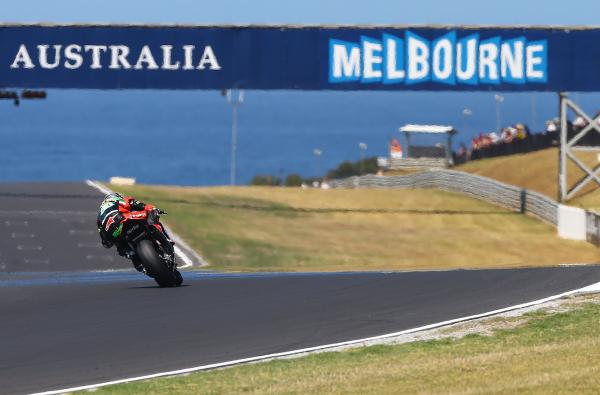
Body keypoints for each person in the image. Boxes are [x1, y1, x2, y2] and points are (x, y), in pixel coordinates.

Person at [97, 192, 172, 272]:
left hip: (112, 232)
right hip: (125, 218)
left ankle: (135, 259)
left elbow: (105, 241)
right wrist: (150, 209)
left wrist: (110, 241)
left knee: (119, 245)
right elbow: (133, 203)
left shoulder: (99, 215)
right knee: (152, 214)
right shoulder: (117, 200)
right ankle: (166, 241)